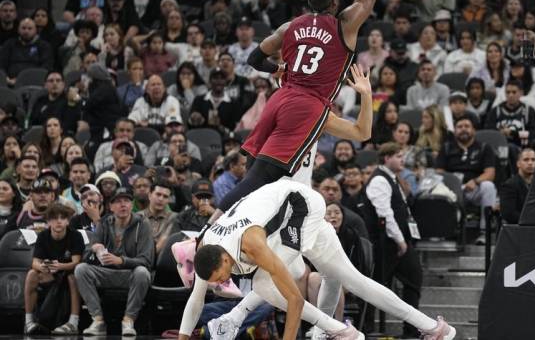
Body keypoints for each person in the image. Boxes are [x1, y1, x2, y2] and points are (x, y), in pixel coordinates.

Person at [215, 0, 385, 217]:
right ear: (335, 2)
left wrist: (278, 68)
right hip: (307, 105)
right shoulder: (344, 24)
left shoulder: (289, 25)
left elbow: (254, 57)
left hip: (280, 98)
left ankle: (238, 227)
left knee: (255, 172)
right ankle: (211, 228)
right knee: (260, 179)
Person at [177, 178, 455, 340]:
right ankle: (434, 327)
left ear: (224, 259)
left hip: (303, 206)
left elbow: (295, 300)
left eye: (222, 275)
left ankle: (339, 332)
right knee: (352, 279)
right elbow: (195, 300)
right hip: (281, 213)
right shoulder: (207, 250)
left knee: (264, 284)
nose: (224, 282)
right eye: (217, 281)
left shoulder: (252, 244)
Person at [364, 142, 426, 336]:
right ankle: (367, 328)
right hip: (386, 243)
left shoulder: (392, 178)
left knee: (410, 279)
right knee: (376, 287)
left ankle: (410, 329)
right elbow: (385, 214)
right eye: (398, 156)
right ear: (386, 158)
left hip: (395, 242)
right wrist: (400, 240)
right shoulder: (380, 180)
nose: (403, 159)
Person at [74, 188, 154, 337]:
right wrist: (95, 249)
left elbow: (146, 260)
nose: (122, 205)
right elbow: (86, 255)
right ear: (111, 207)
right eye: (118, 201)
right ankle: (97, 320)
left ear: (132, 205)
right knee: (81, 269)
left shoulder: (143, 224)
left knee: (143, 272)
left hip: (130, 274)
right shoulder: (104, 223)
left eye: (126, 201)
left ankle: (128, 321)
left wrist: (121, 260)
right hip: (106, 272)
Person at [435, 115, 497, 245]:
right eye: (459, 127)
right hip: (451, 190)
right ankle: (443, 233)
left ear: (474, 130)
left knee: (488, 186)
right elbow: (438, 172)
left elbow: (490, 173)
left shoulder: (484, 148)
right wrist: (453, 182)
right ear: (455, 131)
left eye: (467, 126)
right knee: (437, 188)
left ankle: (484, 232)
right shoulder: (446, 148)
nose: (463, 129)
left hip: (473, 190)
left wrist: (476, 181)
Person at [24, 203, 84, 335]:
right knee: (32, 274)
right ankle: (28, 322)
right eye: (54, 218)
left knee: (73, 276)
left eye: (62, 218)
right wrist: (43, 267)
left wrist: (60, 266)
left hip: (68, 273)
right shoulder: (43, 236)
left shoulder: (75, 236)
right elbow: (35, 262)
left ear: (68, 221)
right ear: (48, 221)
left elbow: (76, 262)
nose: (58, 221)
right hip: (50, 274)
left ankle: (74, 322)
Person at [484, 79, 535, 149]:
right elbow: (489, 131)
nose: (510, 95)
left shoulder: (529, 111)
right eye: (508, 92)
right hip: (499, 146)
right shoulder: (495, 111)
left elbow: (532, 134)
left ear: (521, 93)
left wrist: (512, 133)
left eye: (514, 92)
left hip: (522, 147)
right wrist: (500, 132)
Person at [0, 17, 54, 85]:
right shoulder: (9, 44)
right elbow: (1, 64)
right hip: (10, 82)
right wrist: (5, 78)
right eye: (23, 28)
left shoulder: (44, 46)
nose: (26, 31)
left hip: (35, 82)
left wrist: (24, 79)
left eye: (30, 28)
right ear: (18, 30)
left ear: (36, 30)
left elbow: (46, 67)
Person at [499, 148, 535, 225]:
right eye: (526, 160)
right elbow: (508, 214)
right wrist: (532, 220)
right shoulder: (509, 185)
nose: (530, 163)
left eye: (533, 160)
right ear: (518, 164)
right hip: (517, 229)